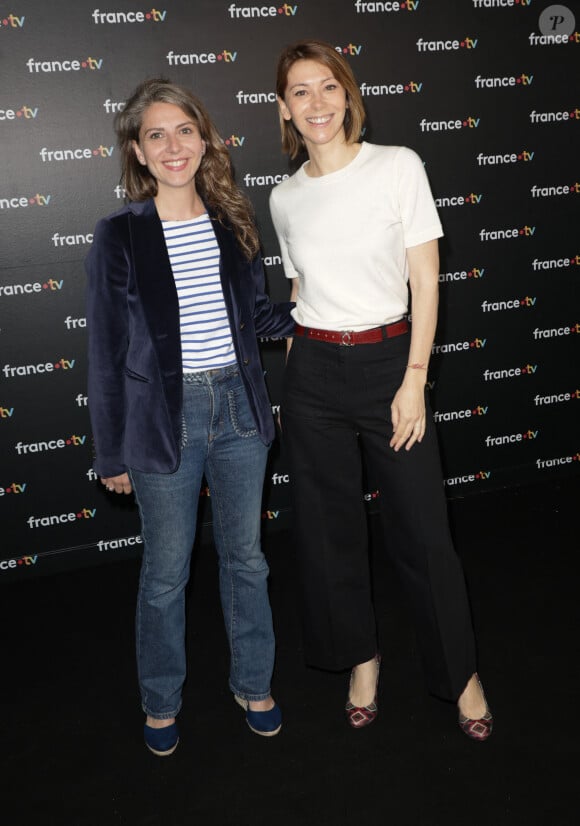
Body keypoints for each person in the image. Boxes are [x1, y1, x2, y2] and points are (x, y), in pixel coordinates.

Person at [269, 40, 492, 740]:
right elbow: (301, 289)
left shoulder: (398, 167)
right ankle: (361, 661)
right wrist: (296, 368)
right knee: (329, 534)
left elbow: (425, 279)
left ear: (348, 95)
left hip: (390, 361)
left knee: (425, 533)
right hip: (310, 375)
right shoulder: (284, 196)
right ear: (284, 109)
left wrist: (415, 379)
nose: (317, 103)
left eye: (327, 87)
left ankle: (461, 674)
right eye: (301, 92)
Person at [86, 78, 295, 756]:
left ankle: (254, 684)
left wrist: (325, 305)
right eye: (156, 134)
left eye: (184, 130)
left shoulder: (233, 221)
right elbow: (107, 350)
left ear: (204, 141)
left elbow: (258, 317)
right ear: (140, 153)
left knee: (247, 559)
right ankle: (160, 701)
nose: (173, 145)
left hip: (239, 406)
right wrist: (112, 452)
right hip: (162, 420)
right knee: (166, 570)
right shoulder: (119, 234)